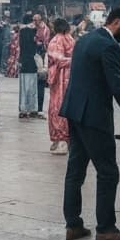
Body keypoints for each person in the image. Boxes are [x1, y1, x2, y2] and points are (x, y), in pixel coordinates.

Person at [60, 6, 120, 240]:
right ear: (117, 22)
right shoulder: (108, 46)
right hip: (94, 116)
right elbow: (116, 85)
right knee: (109, 172)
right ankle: (106, 227)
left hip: (74, 111)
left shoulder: (85, 39)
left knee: (75, 170)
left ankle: (73, 225)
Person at [45, 18, 74, 155]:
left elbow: (57, 59)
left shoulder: (56, 40)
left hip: (60, 78)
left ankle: (61, 140)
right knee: (66, 107)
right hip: (70, 77)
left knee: (57, 107)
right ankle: (65, 140)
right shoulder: (70, 39)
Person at [16, 14, 40, 119]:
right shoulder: (34, 32)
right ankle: (33, 108)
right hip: (32, 62)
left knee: (23, 88)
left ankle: (23, 109)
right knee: (32, 87)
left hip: (23, 62)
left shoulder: (21, 32)